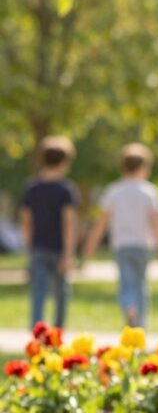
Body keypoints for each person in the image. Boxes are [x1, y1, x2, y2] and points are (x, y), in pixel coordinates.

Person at [83, 143, 158, 327]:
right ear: (144, 167)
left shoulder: (113, 191)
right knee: (141, 286)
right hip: (143, 246)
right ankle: (140, 326)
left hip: (122, 245)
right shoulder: (149, 192)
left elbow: (102, 222)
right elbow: (157, 224)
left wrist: (91, 244)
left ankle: (129, 308)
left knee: (126, 284)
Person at [19, 136, 80, 329]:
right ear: (64, 162)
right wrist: (69, 254)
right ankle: (58, 330)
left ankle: (36, 331)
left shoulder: (32, 188)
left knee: (39, 291)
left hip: (38, 246)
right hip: (59, 248)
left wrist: (29, 244)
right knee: (61, 293)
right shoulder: (66, 189)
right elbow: (69, 224)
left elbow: (26, 221)